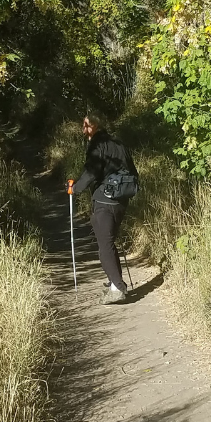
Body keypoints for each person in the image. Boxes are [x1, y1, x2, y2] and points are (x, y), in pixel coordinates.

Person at [70, 114, 137, 304]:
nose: (84, 130)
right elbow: (132, 170)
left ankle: (118, 287)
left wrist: (75, 188)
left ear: (95, 126)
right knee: (109, 241)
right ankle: (114, 281)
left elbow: (92, 171)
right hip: (122, 199)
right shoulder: (119, 143)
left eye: (87, 126)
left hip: (104, 199)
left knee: (104, 244)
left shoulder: (98, 145)